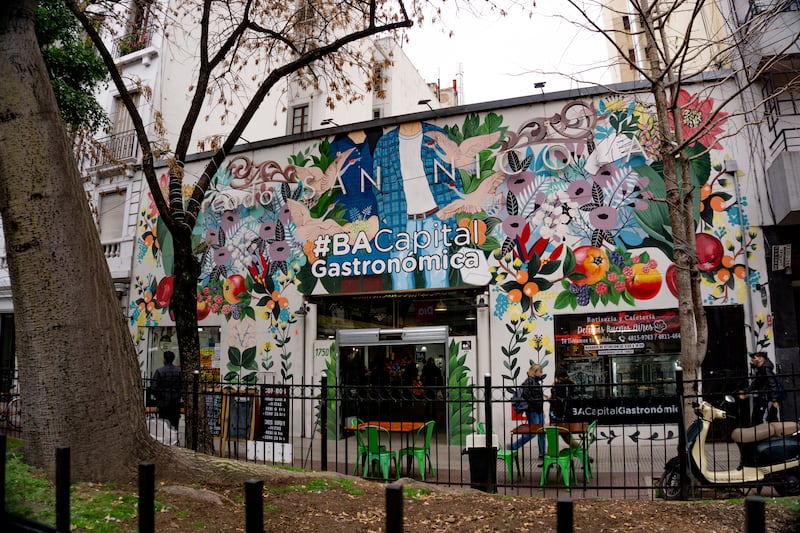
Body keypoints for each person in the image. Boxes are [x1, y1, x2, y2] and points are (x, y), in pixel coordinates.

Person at [509, 364, 547, 460]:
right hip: (533, 411)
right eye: (540, 371)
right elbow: (526, 395)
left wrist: (541, 409)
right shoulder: (529, 381)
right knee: (533, 433)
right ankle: (513, 446)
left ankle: (542, 453)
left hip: (538, 411)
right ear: (535, 372)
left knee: (542, 432)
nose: (541, 373)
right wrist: (534, 405)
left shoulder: (536, 382)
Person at [739, 351, 781, 425]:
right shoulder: (761, 369)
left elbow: (773, 384)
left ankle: (768, 434)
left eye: (753, 359)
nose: (752, 361)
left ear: (760, 359)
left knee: (765, 418)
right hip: (765, 397)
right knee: (769, 417)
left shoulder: (765, 369)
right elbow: (756, 384)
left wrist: (774, 400)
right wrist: (745, 390)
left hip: (768, 398)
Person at [549, 367, 579, 448]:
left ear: (558, 377)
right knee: (568, 439)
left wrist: (551, 394)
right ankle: (583, 453)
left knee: (553, 438)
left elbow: (557, 402)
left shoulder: (559, 387)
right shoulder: (570, 385)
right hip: (566, 416)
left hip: (558, 417)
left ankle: (550, 458)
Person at [152, 350, 182, 430]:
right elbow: (182, 386)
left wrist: (159, 398)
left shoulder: (159, 371)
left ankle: (165, 441)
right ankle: (174, 440)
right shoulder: (178, 372)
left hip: (163, 403)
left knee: (163, 426)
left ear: (164, 359)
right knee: (174, 425)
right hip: (175, 403)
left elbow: (153, 387)